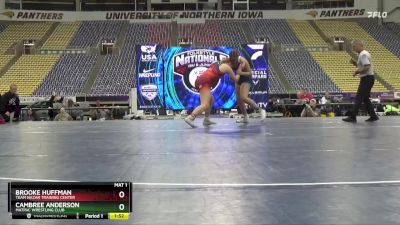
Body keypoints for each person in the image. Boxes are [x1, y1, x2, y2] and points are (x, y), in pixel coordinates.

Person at [184, 51, 239, 128]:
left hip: (202, 80)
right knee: (205, 104)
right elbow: (236, 79)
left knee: (211, 100)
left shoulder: (219, 62)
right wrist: (240, 72)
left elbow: (227, 59)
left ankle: (206, 119)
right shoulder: (227, 68)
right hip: (204, 82)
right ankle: (191, 118)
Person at [343, 40, 379, 123]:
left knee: (359, 97)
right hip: (368, 78)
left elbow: (367, 67)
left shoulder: (363, 54)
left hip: (367, 78)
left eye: (354, 46)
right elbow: (364, 66)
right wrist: (355, 63)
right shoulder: (363, 54)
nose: (353, 48)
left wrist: (357, 72)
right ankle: (373, 116)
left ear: (360, 45)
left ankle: (352, 117)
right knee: (365, 98)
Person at [234, 51, 266, 123]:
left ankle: (260, 110)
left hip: (246, 78)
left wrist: (240, 72)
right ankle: (245, 117)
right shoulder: (230, 60)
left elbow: (250, 73)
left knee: (244, 97)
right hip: (238, 79)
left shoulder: (243, 61)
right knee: (239, 99)